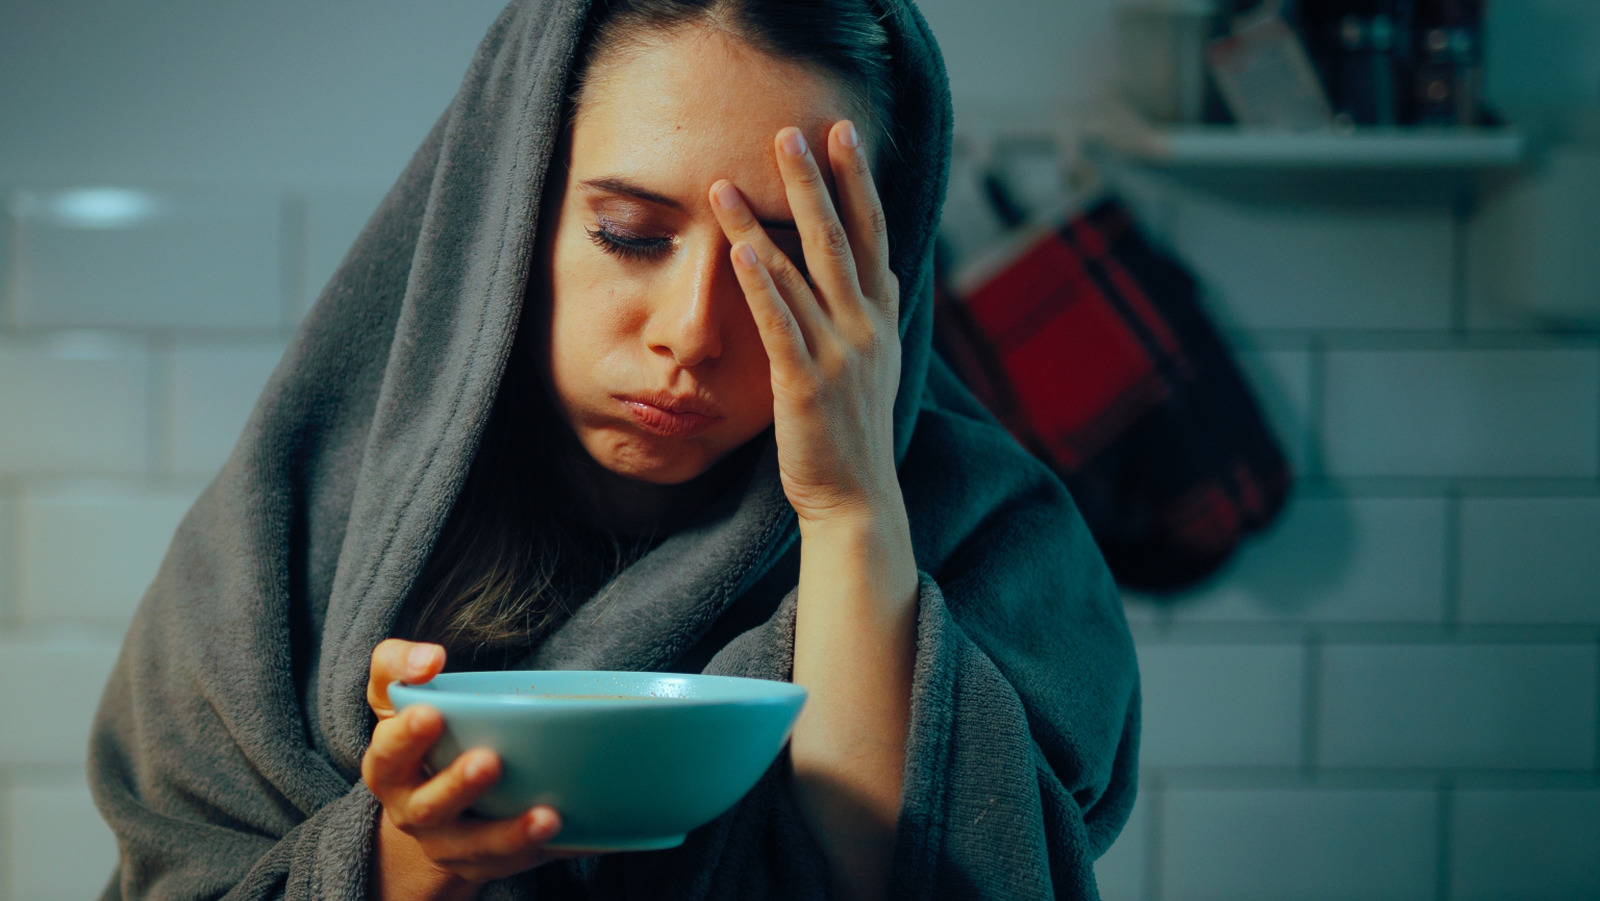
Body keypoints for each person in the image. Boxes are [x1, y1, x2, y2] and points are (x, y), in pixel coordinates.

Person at [88, 0, 1140, 899]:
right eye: (631, 234)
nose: (691, 331)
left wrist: (852, 508)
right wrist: (406, 858)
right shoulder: (285, 537)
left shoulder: (992, 536)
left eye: (779, 263)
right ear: (508, 214)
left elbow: (942, 872)